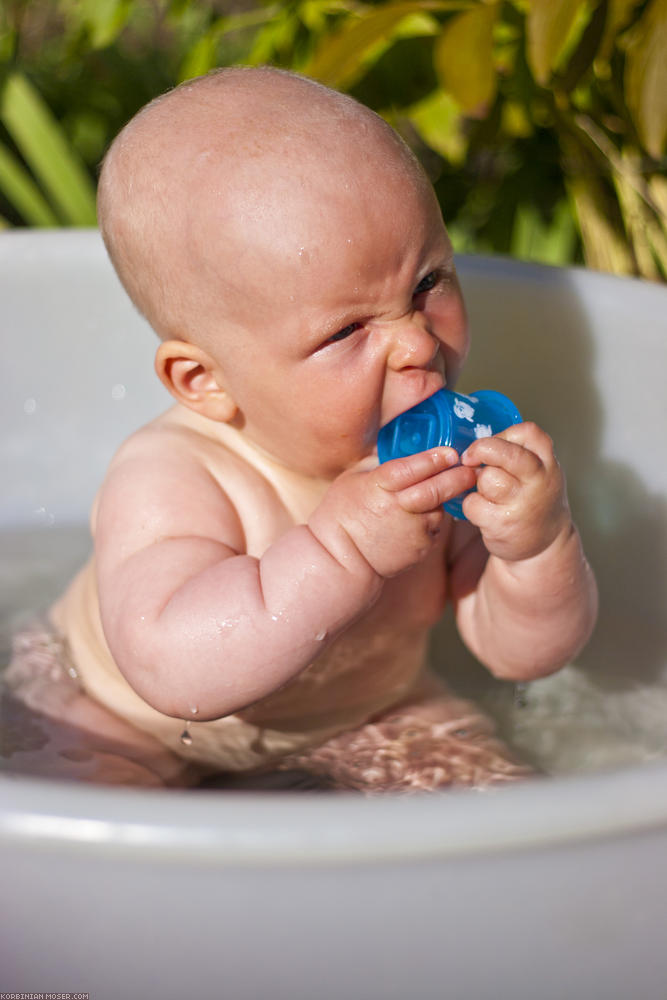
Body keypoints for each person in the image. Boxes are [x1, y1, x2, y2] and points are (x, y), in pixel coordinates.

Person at [5, 66, 598, 792]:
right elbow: (171, 671)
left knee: (501, 815)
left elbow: (519, 654)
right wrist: (338, 551)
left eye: (426, 284)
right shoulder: (175, 476)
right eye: (347, 329)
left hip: (371, 714)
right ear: (206, 382)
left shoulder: (445, 452)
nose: (415, 343)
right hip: (123, 719)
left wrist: (534, 546)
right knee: (69, 798)